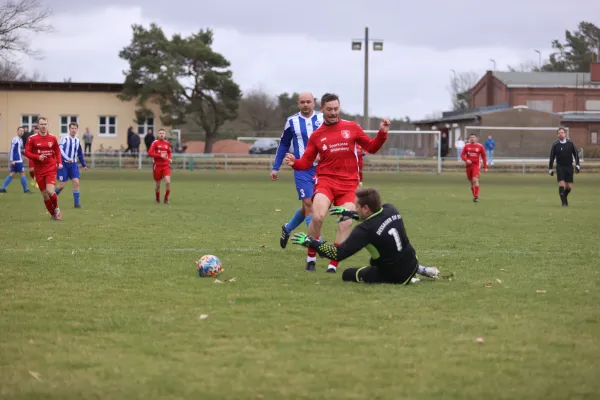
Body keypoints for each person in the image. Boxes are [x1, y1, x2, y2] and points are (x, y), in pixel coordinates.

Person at [284, 93, 389, 273]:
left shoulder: (352, 127)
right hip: (325, 181)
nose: (333, 112)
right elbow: (307, 162)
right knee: (317, 217)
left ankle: (333, 264)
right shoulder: (317, 135)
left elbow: (371, 147)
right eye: (329, 109)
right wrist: (295, 163)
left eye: (336, 109)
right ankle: (311, 258)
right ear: (322, 109)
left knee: (345, 222)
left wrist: (382, 133)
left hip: (348, 185)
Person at [290, 187, 440, 284]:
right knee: (376, 257)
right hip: (411, 260)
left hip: (396, 276)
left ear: (366, 208)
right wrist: (349, 213)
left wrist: (310, 242)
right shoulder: (390, 209)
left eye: (356, 207)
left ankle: (409, 280)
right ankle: (419, 270)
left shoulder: (364, 230)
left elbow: (337, 254)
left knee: (348, 275)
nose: (354, 208)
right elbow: (374, 218)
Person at [271, 92, 324, 249]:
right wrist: (275, 167)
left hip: (321, 169)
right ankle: (316, 241)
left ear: (314, 103)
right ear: (298, 104)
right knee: (308, 203)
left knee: (310, 206)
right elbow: (283, 145)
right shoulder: (292, 121)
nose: (306, 104)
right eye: (302, 102)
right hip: (301, 168)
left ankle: (287, 228)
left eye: (308, 101)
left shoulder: (322, 119)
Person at [23, 117, 63, 220]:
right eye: (41, 124)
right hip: (39, 169)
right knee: (45, 194)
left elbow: (57, 151)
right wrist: (37, 157)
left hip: (50, 167)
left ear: (47, 125)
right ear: (38, 125)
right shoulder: (32, 138)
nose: (43, 126)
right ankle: (53, 214)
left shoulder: (53, 138)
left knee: (50, 191)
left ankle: (57, 209)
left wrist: (59, 163)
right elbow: (26, 152)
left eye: (45, 124)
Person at [55, 122, 87, 208]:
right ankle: (52, 199)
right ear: (69, 129)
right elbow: (60, 150)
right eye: (72, 128)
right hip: (63, 164)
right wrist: (66, 158)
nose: (73, 130)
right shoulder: (64, 138)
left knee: (76, 182)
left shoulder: (77, 140)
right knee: (62, 185)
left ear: (77, 129)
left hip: (73, 164)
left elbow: (79, 153)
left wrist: (84, 164)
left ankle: (77, 204)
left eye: (75, 128)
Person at [548, 127, 580, 207]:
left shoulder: (570, 143)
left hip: (569, 166)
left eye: (562, 132)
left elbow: (576, 154)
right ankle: (564, 203)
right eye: (559, 133)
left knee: (569, 187)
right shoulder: (555, 145)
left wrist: (577, 165)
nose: (560, 134)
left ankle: (564, 196)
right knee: (562, 184)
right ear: (557, 135)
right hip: (560, 167)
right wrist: (550, 168)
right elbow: (552, 157)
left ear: (565, 134)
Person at [0, 127, 31, 194]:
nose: (22, 132)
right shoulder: (15, 139)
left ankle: (2, 188)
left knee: (12, 174)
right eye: (20, 131)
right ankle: (26, 190)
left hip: (18, 159)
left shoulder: (20, 140)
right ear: (17, 131)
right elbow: (13, 150)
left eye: (23, 131)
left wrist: (24, 156)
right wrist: (12, 160)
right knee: (22, 173)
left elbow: (19, 150)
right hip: (17, 160)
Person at [148, 128, 172, 204]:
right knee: (158, 185)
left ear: (165, 135)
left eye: (163, 133)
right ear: (158, 134)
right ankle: (157, 199)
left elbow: (169, 152)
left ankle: (166, 199)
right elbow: (150, 153)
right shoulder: (155, 143)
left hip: (165, 165)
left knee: (168, 182)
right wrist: (159, 155)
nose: (161, 134)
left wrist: (170, 159)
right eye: (160, 133)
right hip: (157, 166)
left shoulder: (167, 143)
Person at [460, 134, 487, 202]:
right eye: (471, 137)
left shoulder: (480, 146)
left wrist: (485, 167)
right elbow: (462, 155)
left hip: (476, 165)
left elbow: (484, 156)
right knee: (471, 182)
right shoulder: (466, 146)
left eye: (473, 137)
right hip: (468, 166)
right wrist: (466, 160)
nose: (472, 138)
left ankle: (476, 197)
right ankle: (475, 196)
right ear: (469, 139)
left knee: (475, 180)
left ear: (476, 139)